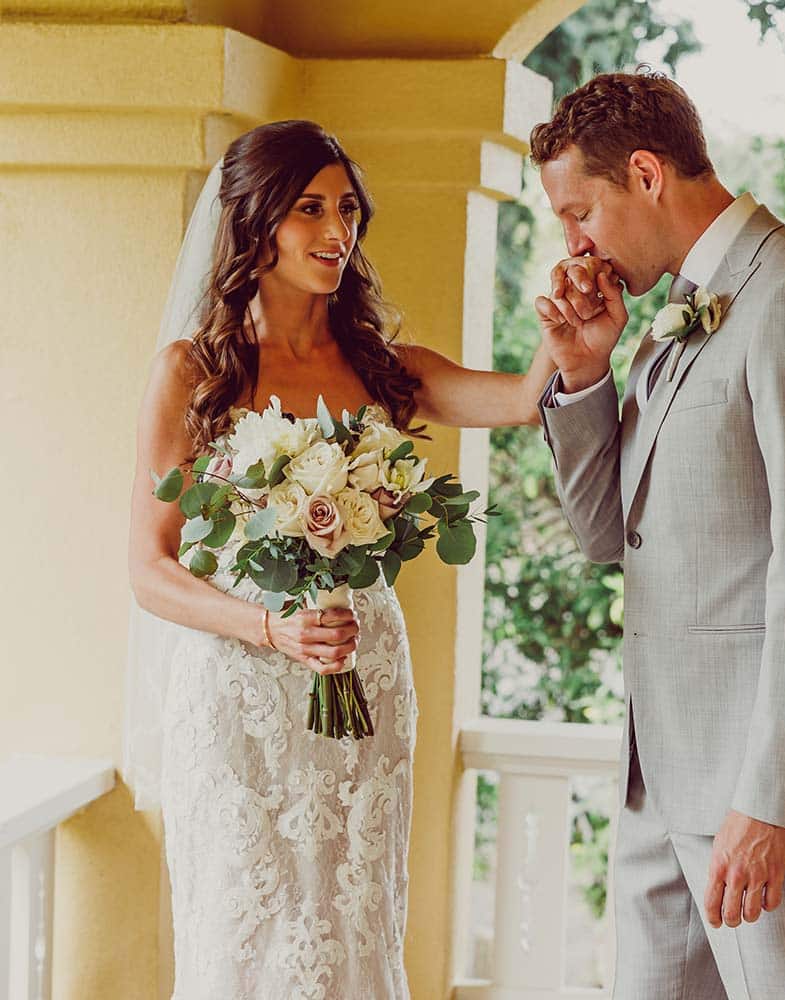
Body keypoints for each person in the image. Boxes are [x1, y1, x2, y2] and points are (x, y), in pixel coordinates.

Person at [125, 119, 554, 999]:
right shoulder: (194, 373)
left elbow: (519, 400)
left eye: (348, 209)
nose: (337, 231)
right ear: (255, 223)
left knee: (352, 920)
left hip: (363, 677)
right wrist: (268, 626)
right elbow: (149, 568)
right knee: (242, 927)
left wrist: (572, 320)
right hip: (239, 692)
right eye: (309, 209)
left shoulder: (382, 369)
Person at [532, 72, 785, 999]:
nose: (572, 244)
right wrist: (586, 373)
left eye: (580, 211)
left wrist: (772, 802)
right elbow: (604, 535)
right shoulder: (672, 320)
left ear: (648, 175)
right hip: (661, 784)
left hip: (772, 801)